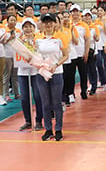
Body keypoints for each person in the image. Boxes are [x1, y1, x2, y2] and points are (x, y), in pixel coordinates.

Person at [35, 13, 69, 141]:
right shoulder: (37, 38)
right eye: (46, 22)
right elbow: (34, 54)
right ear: (42, 24)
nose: (48, 25)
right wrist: (39, 64)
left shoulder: (60, 37)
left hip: (56, 72)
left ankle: (58, 129)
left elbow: (65, 55)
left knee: (56, 102)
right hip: (42, 73)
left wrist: (56, 64)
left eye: (51, 22)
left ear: (55, 23)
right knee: (45, 102)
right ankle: (48, 129)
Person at [16, 18, 43, 131]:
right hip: (23, 72)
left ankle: (38, 120)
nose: (28, 29)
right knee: (25, 98)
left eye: (30, 26)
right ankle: (28, 120)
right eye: (25, 27)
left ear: (34, 27)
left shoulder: (38, 40)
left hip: (35, 72)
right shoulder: (18, 41)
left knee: (37, 96)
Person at [70, 4, 90, 100]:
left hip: (81, 53)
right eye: (73, 11)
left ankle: (84, 91)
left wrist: (86, 52)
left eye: (76, 11)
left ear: (79, 13)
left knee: (83, 74)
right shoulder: (68, 25)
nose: (75, 13)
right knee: (71, 75)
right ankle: (71, 93)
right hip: (71, 55)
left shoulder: (84, 25)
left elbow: (87, 40)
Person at [3, 15, 21, 102]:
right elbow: (2, 43)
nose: (13, 21)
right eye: (11, 20)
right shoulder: (4, 31)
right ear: (7, 21)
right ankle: (6, 94)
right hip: (7, 55)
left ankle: (17, 93)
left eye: (14, 20)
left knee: (15, 76)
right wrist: (10, 38)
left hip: (16, 55)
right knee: (7, 75)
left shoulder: (18, 31)